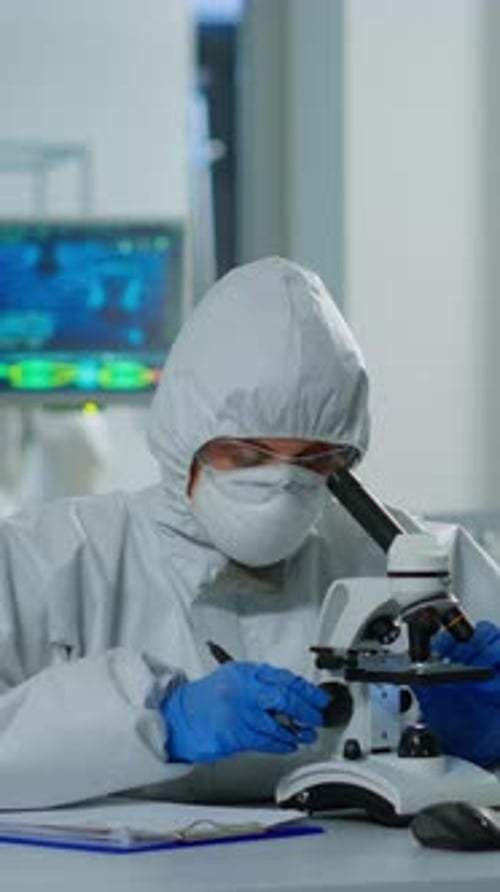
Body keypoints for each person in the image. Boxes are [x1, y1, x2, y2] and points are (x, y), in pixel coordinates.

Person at [0, 255, 500, 810]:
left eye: (315, 459)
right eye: (246, 454)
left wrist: (482, 741)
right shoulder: (47, 561)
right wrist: (158, 720)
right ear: (183, 438)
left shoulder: (418, 559)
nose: (281, 482)